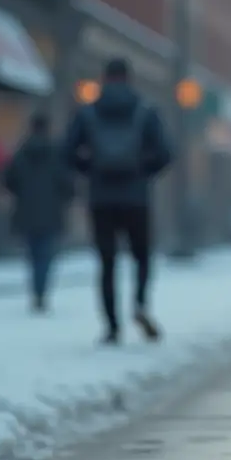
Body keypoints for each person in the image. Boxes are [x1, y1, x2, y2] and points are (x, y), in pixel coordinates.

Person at [64, 58, 171, 344]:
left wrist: (91, 170)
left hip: (101, 197)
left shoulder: (88, 112)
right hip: (136, 197)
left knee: (107, 262)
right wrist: (143, 172)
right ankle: (140, 304)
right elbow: (165, 153)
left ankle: (112, 326)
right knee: (142, 256)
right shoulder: (145, 111)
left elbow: (67, 151)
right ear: (129, 78)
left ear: (104, 78)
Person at [4, 111, 74, 314]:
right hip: (51, 212)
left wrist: (21, 194)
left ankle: (36, 289)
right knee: (46, 254)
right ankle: (41, 292)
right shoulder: (56, 155)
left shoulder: (21, 153)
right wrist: (64, 199)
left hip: (26, 212)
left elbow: (9, 180)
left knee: (33, 254)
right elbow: (67, 184)